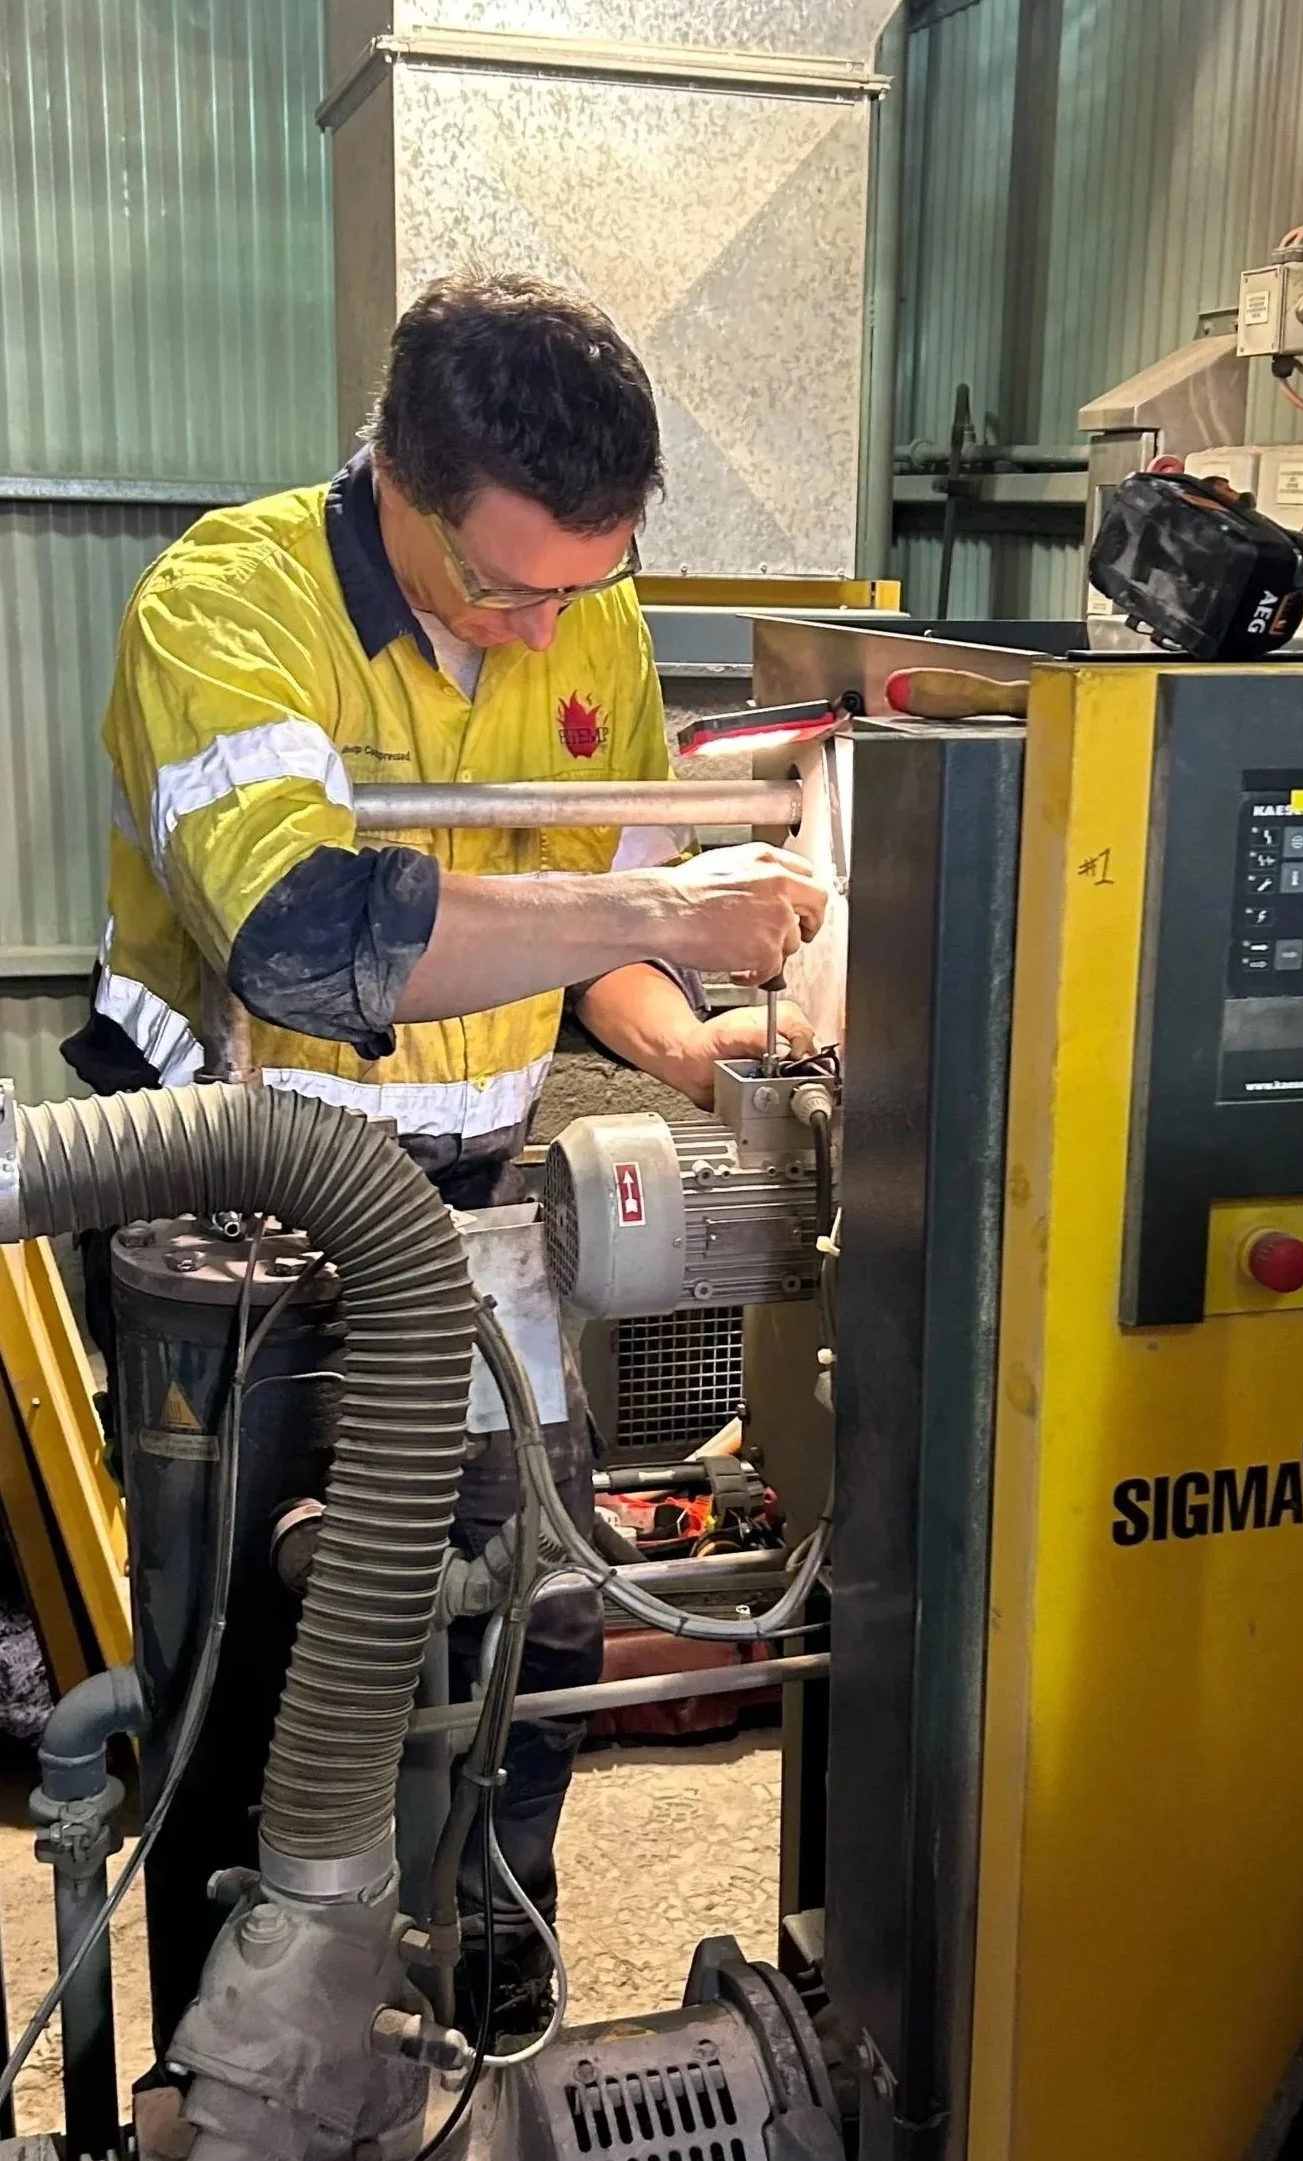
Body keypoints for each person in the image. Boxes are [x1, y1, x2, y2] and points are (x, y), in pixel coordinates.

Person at [63, 270, 827, 2039]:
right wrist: (655, 909)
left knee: (530, 1615)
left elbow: (591, 926)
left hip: (476, 1215)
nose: (550, 632)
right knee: (250, 1673)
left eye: (589, 584)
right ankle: (231, 2052)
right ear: (392, 476)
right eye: (502, 586)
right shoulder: (227, 606)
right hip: (236, 1233)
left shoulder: (580, 609)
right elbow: (313, 942)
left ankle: (493, 1966)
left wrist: (691, 1035)